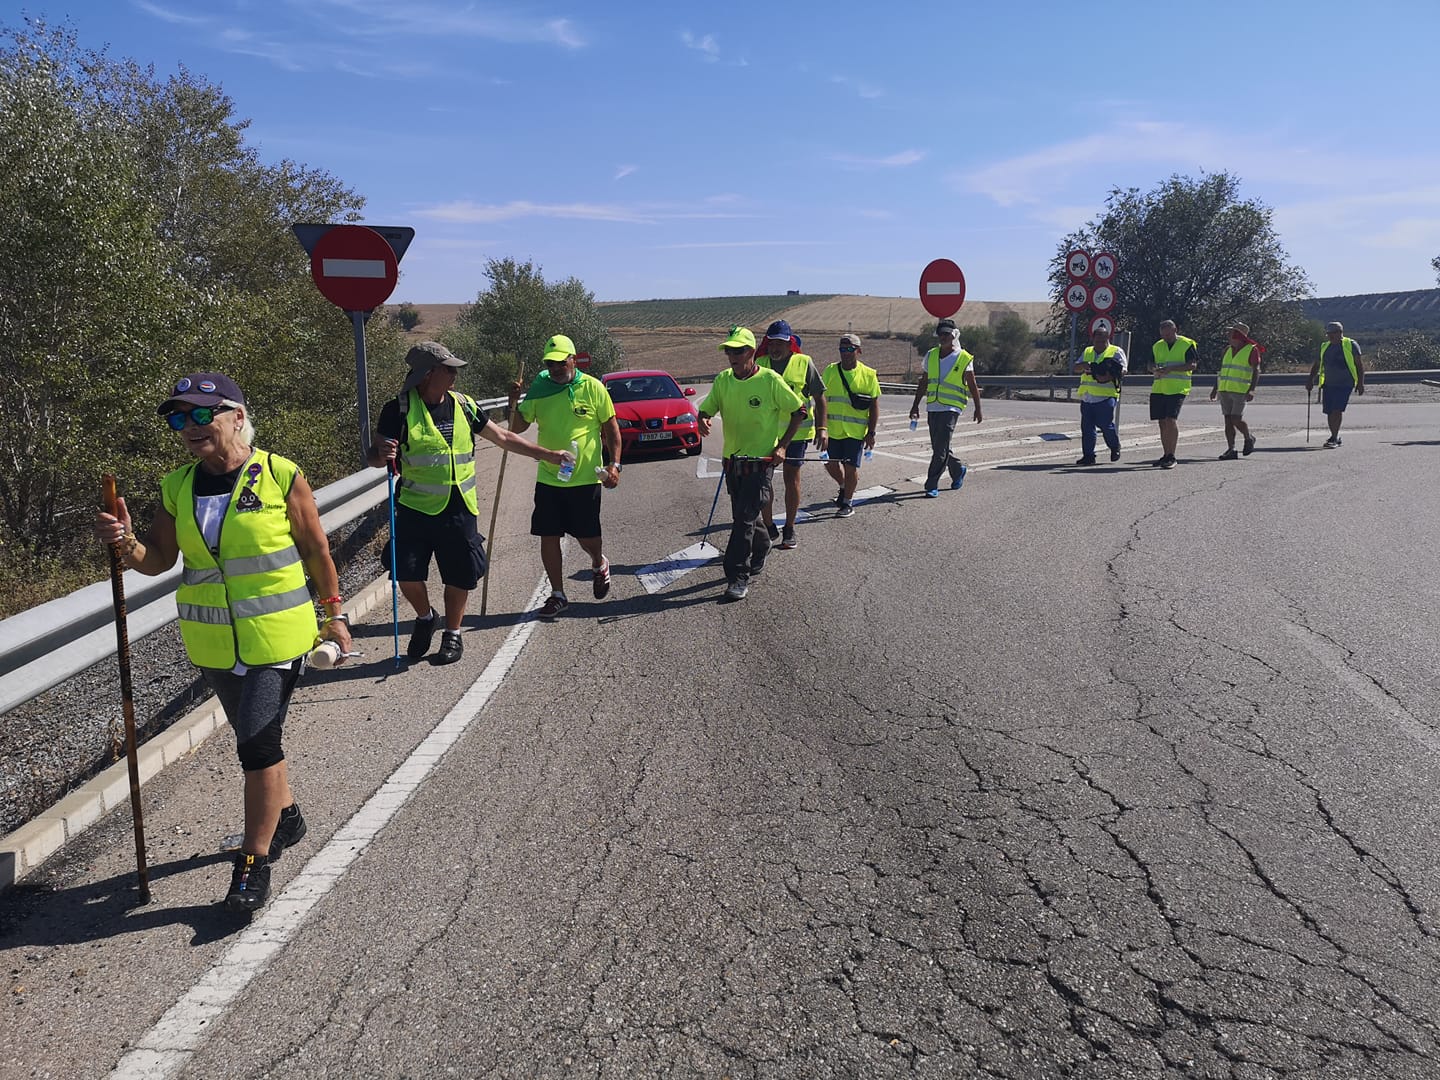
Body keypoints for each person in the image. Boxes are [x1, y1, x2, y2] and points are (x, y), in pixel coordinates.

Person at [93, 372, 353, 913]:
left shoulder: (280, 474)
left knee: (256, 743)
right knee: (258, 742)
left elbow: (316, 550)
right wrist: (127, 544)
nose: (187, 427)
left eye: (198, 415)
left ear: (237, 416)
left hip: (278, 636)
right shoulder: (177, 486)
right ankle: (288, 817)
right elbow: (160, 560)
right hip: (213, 643)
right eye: (177, 418)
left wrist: (335, 615)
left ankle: (253, 864)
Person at [369, 342, 568, 662]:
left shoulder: (464, 406)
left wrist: (549, 455)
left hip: (459, 506)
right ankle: (425, 618)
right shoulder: (398, 409)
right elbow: (376, 457)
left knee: (459, 575)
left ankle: (453, 633)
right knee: (405, 574)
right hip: (413, 508)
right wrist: (380, 454)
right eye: (449, 369)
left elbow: (503, 438)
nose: (455, 375)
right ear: (427, 374)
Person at [508, 334, 622, 620]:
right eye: (550, 363)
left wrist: (615, 465)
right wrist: (513, 403)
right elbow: (517, 426)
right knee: (549, 534)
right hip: (549, 477)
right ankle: (558, 594)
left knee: (588, 538)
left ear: (573, 359)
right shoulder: (540, 387)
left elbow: (611, 429)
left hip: (585, 479)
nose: (556, 368)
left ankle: (598, 562)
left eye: (561, 362)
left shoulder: (593, 387)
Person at [697, 326, 806, 601]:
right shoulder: (723, 380)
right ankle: (764, 542)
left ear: (751, 353)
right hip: (733, 462)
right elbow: (707, 407)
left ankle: (737, 576)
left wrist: (782, 446)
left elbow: (799, 411)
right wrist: (703, 419)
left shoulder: (769, 380)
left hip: (761, 463)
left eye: (738, 351)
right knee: (744, 517)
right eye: (729, 351)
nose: (732, 356)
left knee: (743, 519)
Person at [756, 320, 826, 549]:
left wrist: (822, 428)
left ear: (790, 343)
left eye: (781, 343)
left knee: (791, 479)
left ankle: (789, 527)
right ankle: (768, 526)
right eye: (772, 342)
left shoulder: (804, 363)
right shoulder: (760, 363)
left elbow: (819, 397)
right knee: (763, 484)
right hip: (765, 435)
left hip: (796, 434)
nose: (775, 348)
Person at [909, 318, 983, 494]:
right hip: (933, 407)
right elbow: (924, 382)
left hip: (951, 408)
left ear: (954, 335)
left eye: (947, 334)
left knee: (940, 448)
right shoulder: (931, 355)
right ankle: (958, 470)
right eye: (941, 334)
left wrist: (978, 408)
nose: (943, 337)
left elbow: (972, 384)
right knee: (939, 448)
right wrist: (915, 405)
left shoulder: (963, 357)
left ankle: (931, 484)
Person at [822, 334, 880, 517]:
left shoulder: (869, 374)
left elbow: (874, 406)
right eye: (842, 349)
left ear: (858, 351)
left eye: (849, 349)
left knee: (851, 468)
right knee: (830, 464)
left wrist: (871, 433)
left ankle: (847, 502)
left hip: (855, 432)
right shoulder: (830, 371)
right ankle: (844, 486)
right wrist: (820, 428)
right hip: (833, 431)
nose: (845, 353)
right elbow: (821, 400)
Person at [1072, 324, 1127, 466]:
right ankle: (1089, 456)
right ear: (1093, 339)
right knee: (1087, 428)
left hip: (1106, 396)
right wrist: (1083, 365)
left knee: (1105, 424)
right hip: (1087, 396)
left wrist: (1106, 377)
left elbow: (1122, 371)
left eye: (1103, 341)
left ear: (1108, 338)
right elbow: (1076, 367)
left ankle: (1114, 446)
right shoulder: (1088, 351)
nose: (1100, 344)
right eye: (1097, 341)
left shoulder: (1116, 351)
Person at [1307, 321, 1365, 449]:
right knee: (1329, 411)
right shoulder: (1324, 346)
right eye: (1328, 334)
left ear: (1340, 333)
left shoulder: (1350, 344)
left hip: (1345, 383)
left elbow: (1359, 365)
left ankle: (1334, 437)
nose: (1330, 336)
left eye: (1333, 333)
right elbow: (1317, 364)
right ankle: (1335, 436)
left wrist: (1360, 383)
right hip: (1328, 384)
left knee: (1337, 410)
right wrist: (1310, 379)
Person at [1209, 323, 1262, 459]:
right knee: (1227, 420)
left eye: (1231, 333)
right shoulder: (1227, 349)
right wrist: (1215, 389)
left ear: (1239, 335)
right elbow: (1222, 371)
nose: (1228, 336)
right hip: (1225, 389)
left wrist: (1252, 390)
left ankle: (1248, 437)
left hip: (1240, 390)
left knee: (1236, 419)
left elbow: (1256, 370)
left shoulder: (1251, 349)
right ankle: (1231, 449)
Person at [1150, 320, 1198, 469]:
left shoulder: (1187, 343)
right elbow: (1149, 363)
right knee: (1162, 422)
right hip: (1159, 388)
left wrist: (1171, 369)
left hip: (1178, 388)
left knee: (1171, 420)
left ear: (1175, 329)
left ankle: (1172, 455)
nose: (1166, 337)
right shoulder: (1157, 345)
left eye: (1169, 334)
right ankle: (1165, 454)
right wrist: (1153, 369)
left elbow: (1192, 365)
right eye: (1163, 335)